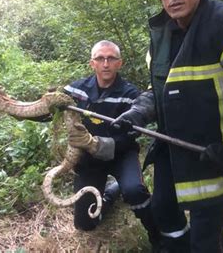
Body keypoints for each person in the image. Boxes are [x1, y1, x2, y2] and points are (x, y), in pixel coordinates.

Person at [111, 0, 223, 252]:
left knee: (206, 239)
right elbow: (159, 93)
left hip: (214, 158)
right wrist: (135, 115)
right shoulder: (161, 38)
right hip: (172, 151)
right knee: (164, 212)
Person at [64, 40, 160, 247]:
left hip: (121, 154)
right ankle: (110, 193)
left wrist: (99, 144)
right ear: (92, 63)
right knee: (84, 225)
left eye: (111, 58)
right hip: (89, 159)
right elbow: (48, 108)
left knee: (134, 191)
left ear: (119, 63)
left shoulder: (130, 94)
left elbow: (131, 136)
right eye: (100, 58)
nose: (105, 63)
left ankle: (157, 235)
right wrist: (14, 107)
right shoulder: (76, 90)